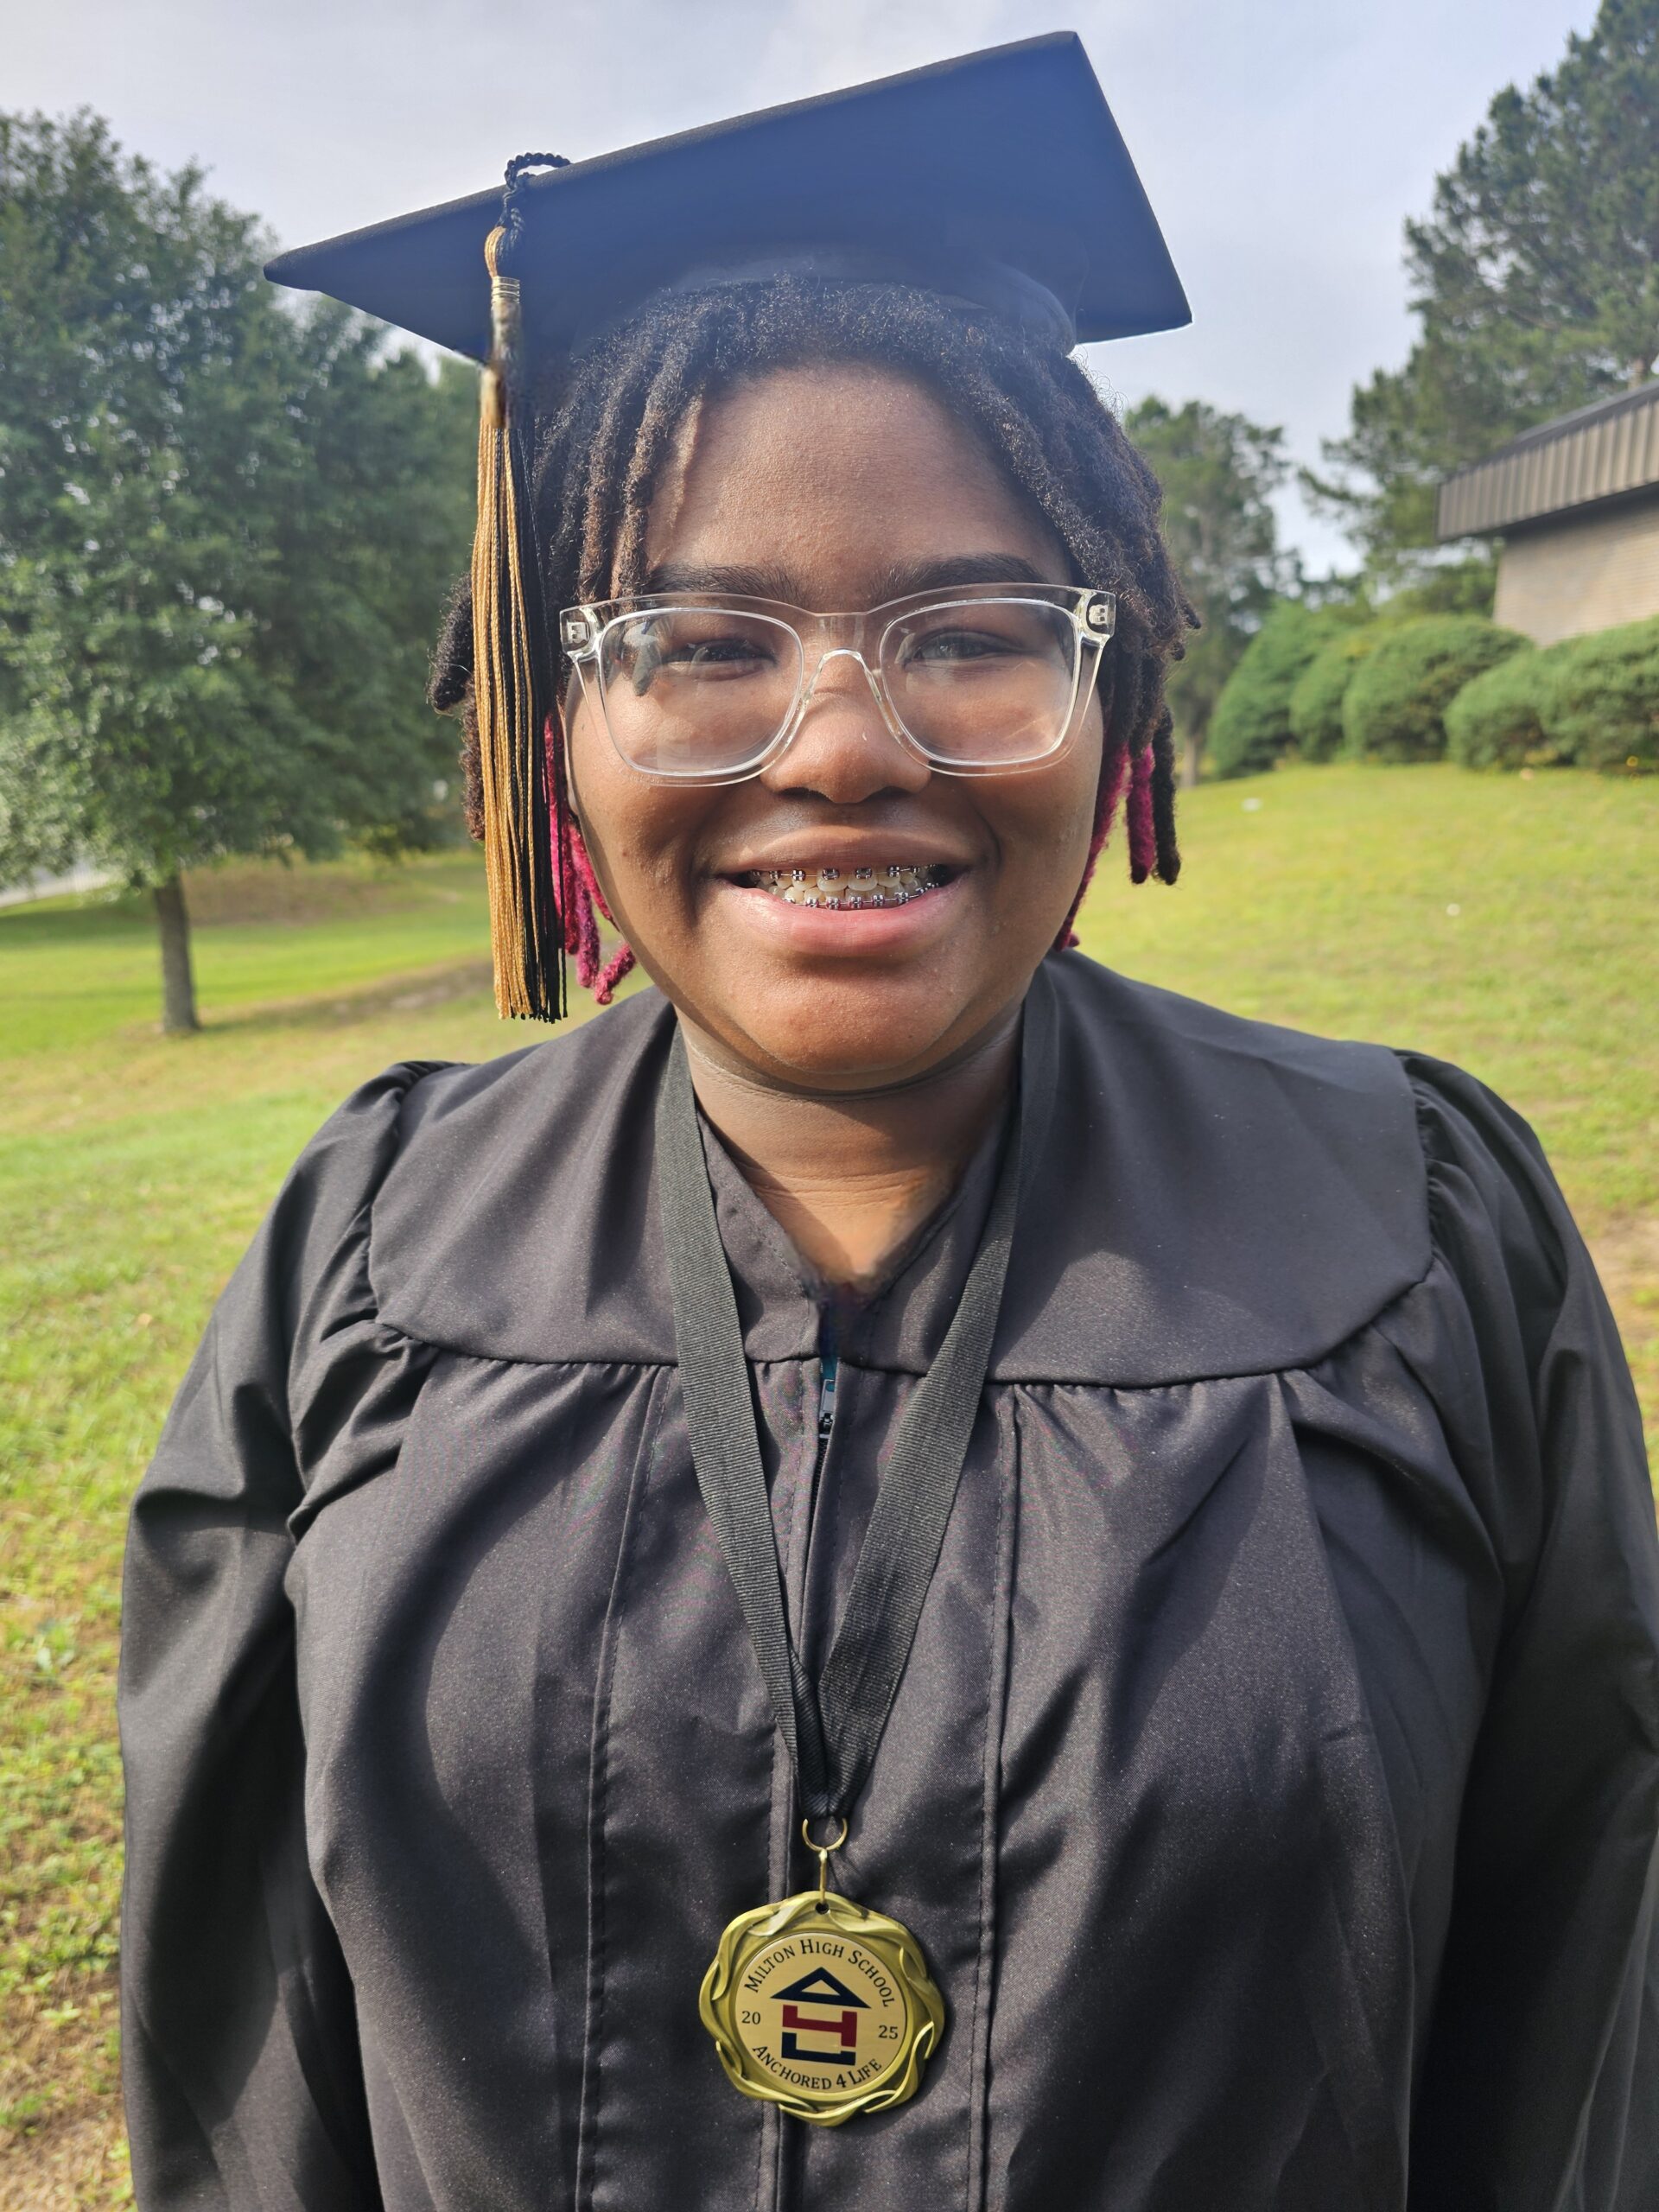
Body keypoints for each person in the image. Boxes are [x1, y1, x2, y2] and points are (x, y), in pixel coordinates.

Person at [118, 34, 1659, 2212]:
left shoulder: (1413, 1230)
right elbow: (246, 2066)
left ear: (1117, 689)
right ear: (556, 714)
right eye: (699, 639)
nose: (842, 745)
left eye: (975, 630)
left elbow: (1587, 1998)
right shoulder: (368, 1258)